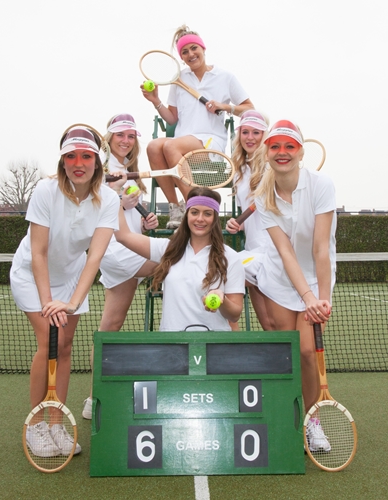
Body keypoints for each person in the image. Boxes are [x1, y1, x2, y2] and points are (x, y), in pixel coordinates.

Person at [10, 125, 123, 458]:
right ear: (62, 161)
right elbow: (39, 252)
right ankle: (35, 426)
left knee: (66, 344)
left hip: (72, 278)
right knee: (49, 342)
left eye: (86, 156)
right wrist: (48, 302)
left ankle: (57, 423)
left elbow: (96, 256)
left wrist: (72, 302)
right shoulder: (45, 191)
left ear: (96, 162)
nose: (79, 162)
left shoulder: (110, 199)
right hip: (32, 274)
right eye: (71, 156)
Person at [253, 119, 337, 452]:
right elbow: (285, 251)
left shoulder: (322, 185)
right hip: (279, 279)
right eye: (275, 146)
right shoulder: (262, 193)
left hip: (317, 277)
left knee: (306, 351)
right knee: (283, 353)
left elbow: (320, 248)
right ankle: (284, 419)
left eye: (289, 146)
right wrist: (304, 296)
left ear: (301, 152)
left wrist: (322, 300)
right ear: (267, 151)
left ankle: (312, 423)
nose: (282, 152)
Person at [82, 114, 158, 419]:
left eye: (130, 136)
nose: (125, 140)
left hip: (131, 245)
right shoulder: (100, 170)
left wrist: (145, 219)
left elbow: (130, 217)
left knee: (110, 327)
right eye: (120, 135)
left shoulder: (129, 171)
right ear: (108, 137)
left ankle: (92, 400)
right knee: (175, 259)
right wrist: (118, 201)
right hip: (116, 250)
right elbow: (92, 206)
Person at [141, 24, 254, 229]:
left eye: (194, 48)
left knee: (170, 146)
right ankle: (176, 207)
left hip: (211, 143)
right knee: (153, 146)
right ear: (181, 58)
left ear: (203, 49)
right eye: (185, 52)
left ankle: (197, 207)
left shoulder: (225, 77)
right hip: (183, 141)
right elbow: (172, 119)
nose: (190, 54)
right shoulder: (179, 80)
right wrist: (155, 101)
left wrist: (224, 106)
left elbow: (249, 109)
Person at [115, 187, 245, 331]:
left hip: (213, 345)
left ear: (215, 218)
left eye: (207, 214)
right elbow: (123, 236)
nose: (200, 219)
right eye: (194, 212)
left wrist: (222, 300)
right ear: (187, 215)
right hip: (172, 345)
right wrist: (117, 199)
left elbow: (234, 315)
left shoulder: (231, 257)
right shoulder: (168, 249)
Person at [225, 110, 273, 331]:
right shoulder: (239, 171)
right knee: (267, 323)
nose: (250, 137)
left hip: (272, 251)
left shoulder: (273, 167)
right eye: (245, 132)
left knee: (223, 275)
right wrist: (238, 224)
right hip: (252, 247)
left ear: (265, 136)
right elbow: (252, 213)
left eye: (256, 132)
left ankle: (232, 344)